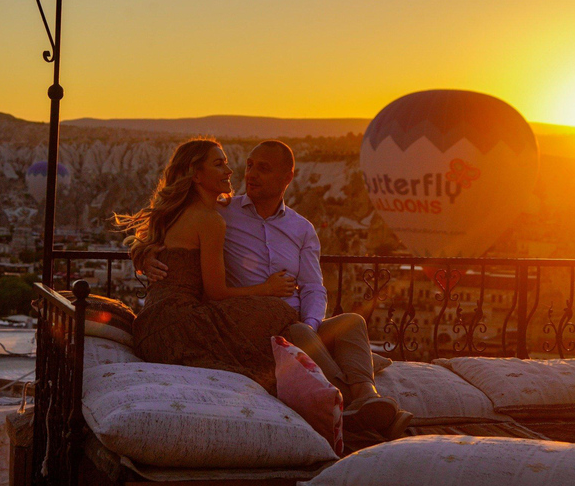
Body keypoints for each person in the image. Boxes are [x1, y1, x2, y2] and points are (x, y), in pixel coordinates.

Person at [142, 139, 412, 438]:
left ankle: (367, 396)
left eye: (263, 169)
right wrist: (144, 254)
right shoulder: (222, 212)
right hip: (260, 324)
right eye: (250, 166)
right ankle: (349, 401)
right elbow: (175, 236)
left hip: (293, 322)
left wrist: (311, 325)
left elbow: (312, 287)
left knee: (352, 322)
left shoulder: (302, 229)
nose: (250, 174)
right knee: (294, 333)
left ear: (287, 178)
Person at [115, 138, 299, 395]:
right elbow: (216, 293)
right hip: (179, 325)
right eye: (219, 164)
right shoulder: (210, 220)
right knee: (279, 312)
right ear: (197, 175)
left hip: (150, 328)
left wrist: (142, 255)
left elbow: (147, 244)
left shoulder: (177, 211)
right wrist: (267, 288)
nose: (229, 171)